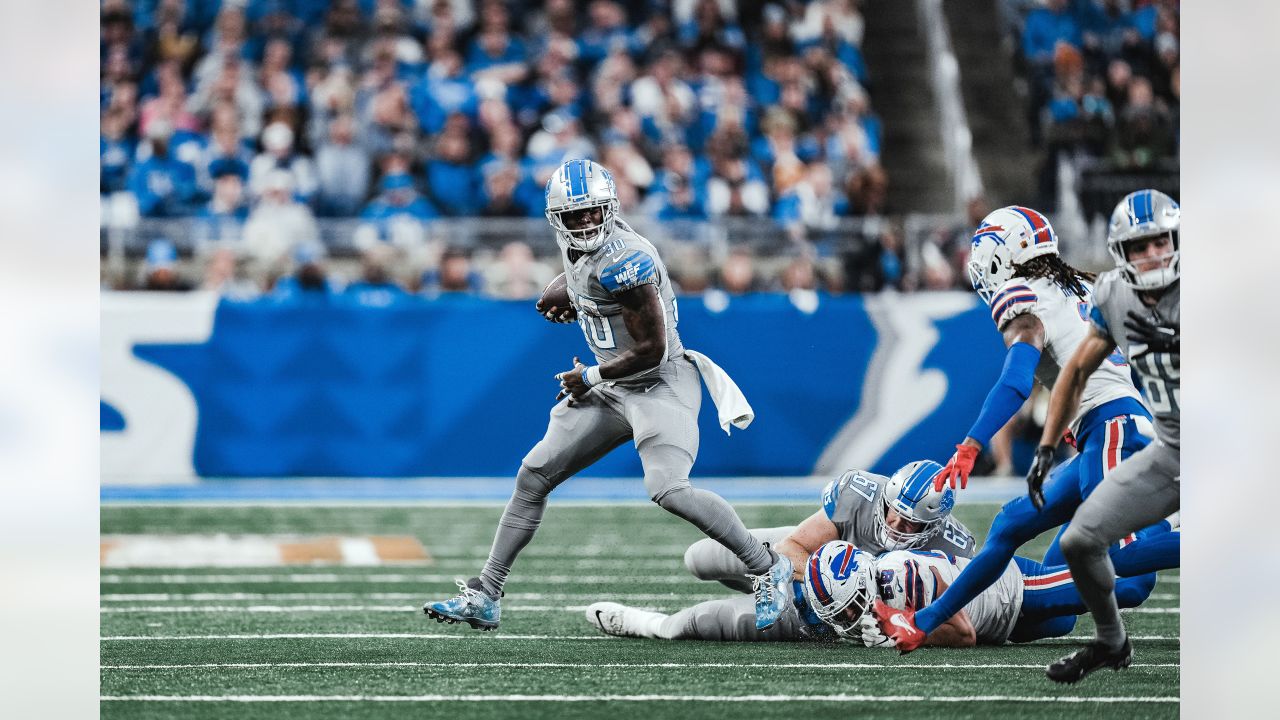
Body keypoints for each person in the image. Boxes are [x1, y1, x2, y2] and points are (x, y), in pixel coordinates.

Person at [423, 159, 793, 632]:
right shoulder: (577, 245)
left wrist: (592, 376)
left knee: (669, 489)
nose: (583, 223)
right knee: (534, 475)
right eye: (573, 215)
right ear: (556, 218)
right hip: (616, 387)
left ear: (610, 209)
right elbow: (586, 275)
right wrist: (566, 292)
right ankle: (486, 593)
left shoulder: (627, 259)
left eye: (591, 213)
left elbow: (653, 350)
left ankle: (767, 567)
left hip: (661, 383)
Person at [874, 205, 1178, 653]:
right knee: (1010, 524)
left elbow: (1017, 380)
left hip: (1113, 430)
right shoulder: (1079, 284)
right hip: (1101, 435)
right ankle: (923, 622)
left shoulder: (1021, 293)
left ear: (1003, 255)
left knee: (1124, 566)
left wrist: (972, 443)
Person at [1034, 189, 1181, 683]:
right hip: (1170, 450)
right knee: (1080, 542)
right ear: (1121, 254)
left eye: (1159, 241)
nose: (1152, 254)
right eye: (1138, 247)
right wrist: (1048, 447)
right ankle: (1111, 643)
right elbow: (1074, 374)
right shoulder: (1114, 294)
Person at [588, 531, 1169, 645]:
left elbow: (961, 632)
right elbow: (713, 618)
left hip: (1007, 597)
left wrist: (905, 624)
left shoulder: (899, 579)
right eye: (833, 616)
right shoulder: (818, 603)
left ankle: (1159, 520)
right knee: (708, 619)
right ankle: (643, 621)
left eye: (851, 613)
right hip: (1009, 629)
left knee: (1128, 585)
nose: (844, 625)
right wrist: (643, 621)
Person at [683, 460, 975, 594]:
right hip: (812, 566)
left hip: (841, 615)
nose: (896, 526)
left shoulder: (954, 549)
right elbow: (792, 547)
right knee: (699, 559)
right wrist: (833, 585)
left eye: (911, 523)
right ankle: (762, 588)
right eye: (892, 512)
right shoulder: (859, 493)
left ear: (934, 526)